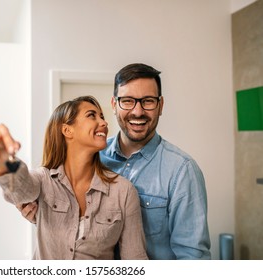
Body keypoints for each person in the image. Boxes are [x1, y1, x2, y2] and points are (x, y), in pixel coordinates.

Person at [19, 63, 211, 260]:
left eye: (148, 101)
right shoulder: (92, 156)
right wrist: (45, 217)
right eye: (127, 101)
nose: (137, 111)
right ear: (114, 104)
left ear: (160, 106)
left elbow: (193, 258)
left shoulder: (182, 171)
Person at [0, 95, 148, 260]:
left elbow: (135, 260)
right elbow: (22, 192)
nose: (104, 123)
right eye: (92, 116)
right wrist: (3, 162)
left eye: (102, 117)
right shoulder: (44, 179)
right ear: (67, 130)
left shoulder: (123, 191)